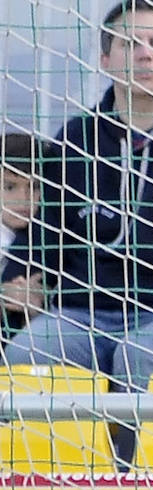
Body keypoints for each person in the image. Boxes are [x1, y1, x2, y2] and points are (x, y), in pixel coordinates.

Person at [1, 0, 153, 398]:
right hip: (82, 313)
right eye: (131, 44)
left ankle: (136, 464)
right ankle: (46, 465)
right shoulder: (76, 140)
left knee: (137, 358)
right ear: (106, 59)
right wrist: (16, 283)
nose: (146, 55)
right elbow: (42, 233)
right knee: (29, 350)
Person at [0, 130, 49, 349]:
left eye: (34, 187)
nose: (24, 199)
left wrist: (35, 306)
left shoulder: (52, 243)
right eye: (10, 187)